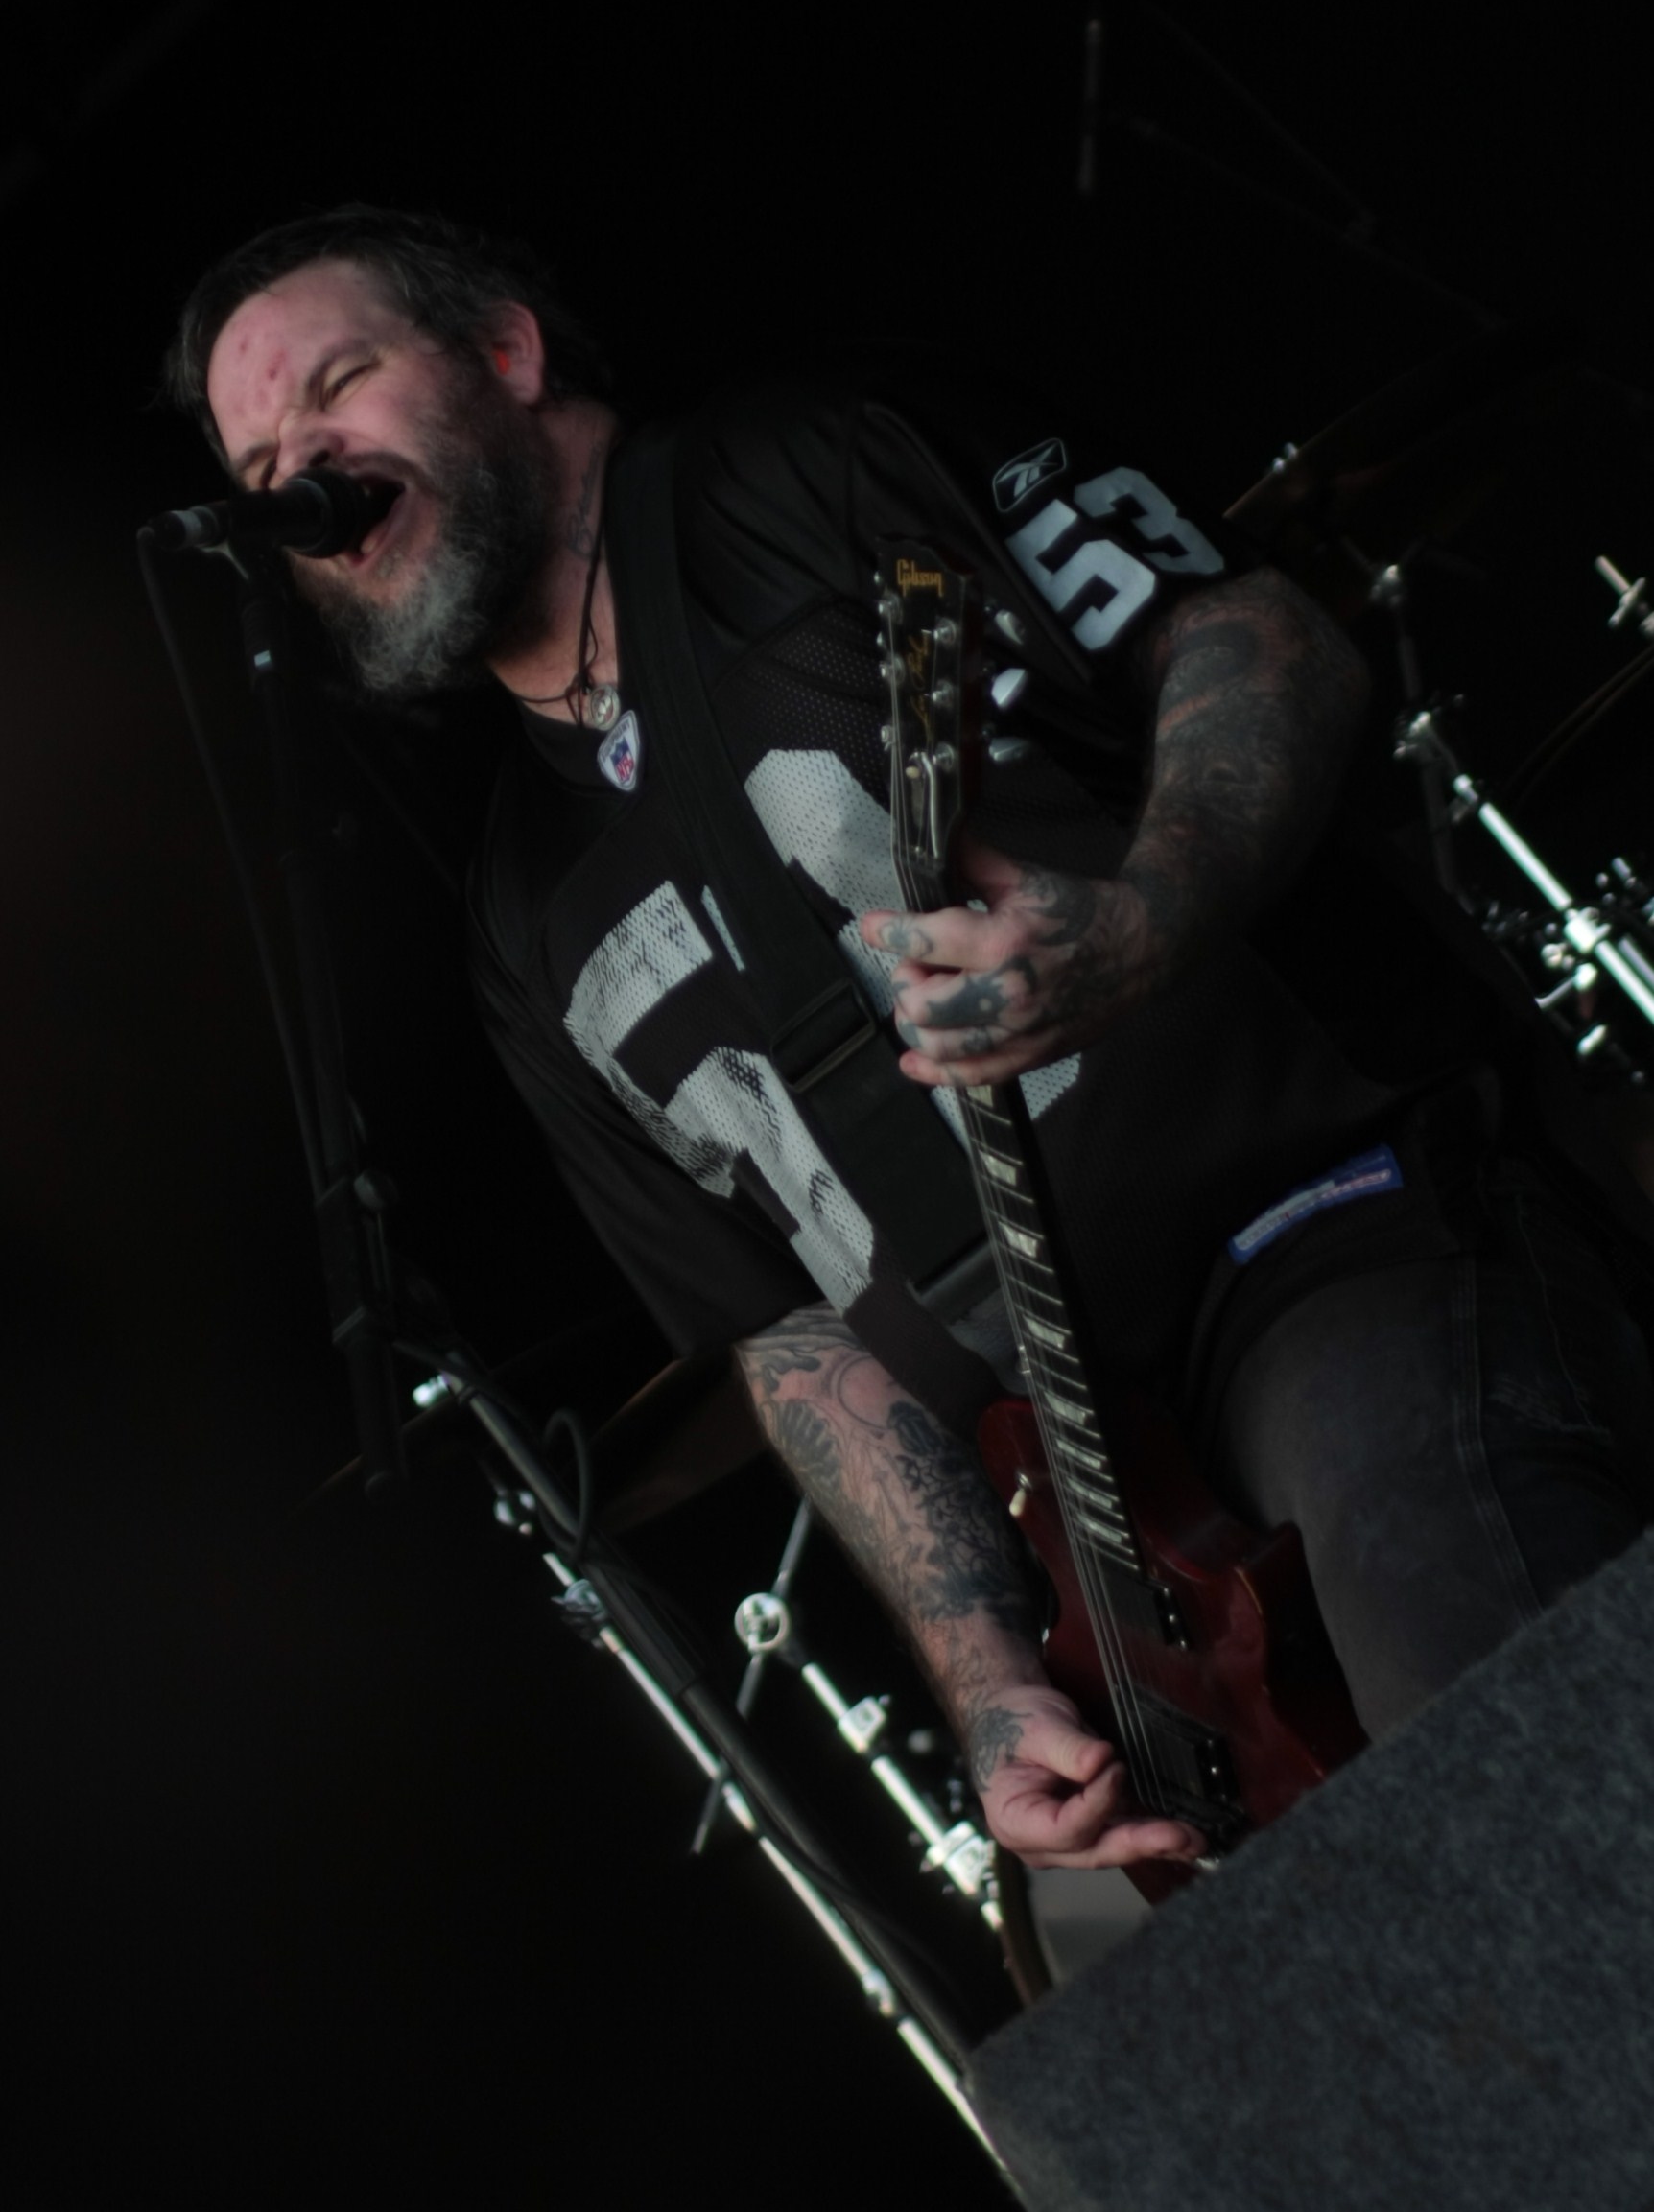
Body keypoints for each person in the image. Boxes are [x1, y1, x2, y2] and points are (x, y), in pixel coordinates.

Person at [165, 202, 1654, 1877]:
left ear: (505, 354)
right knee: (1168, 1976)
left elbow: (1259, 639)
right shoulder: (518, 917)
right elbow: (789, 1341)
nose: (302, 469)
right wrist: (992, 1680)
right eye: (260, 461)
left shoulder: (815, 468)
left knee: (1480, 1687)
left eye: (340, 386)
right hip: (1092, 1517)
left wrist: (1142, 917)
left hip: (1336, 1237)